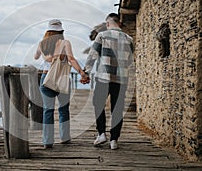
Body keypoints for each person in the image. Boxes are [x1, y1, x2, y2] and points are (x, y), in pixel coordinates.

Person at [81, 13, 133, 150]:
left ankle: (101, 134)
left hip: (104, 78)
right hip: (121, 80)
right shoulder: (129, 39)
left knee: (98, 104)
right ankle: (114, 140)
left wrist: (85, 73)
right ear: (119, 23)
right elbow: (130, 61)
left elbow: (92, 56)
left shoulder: (102, 36)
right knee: (117, 109)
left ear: (108, 23)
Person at [34, 19, 90, 149]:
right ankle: (65, 138)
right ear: (61, 31)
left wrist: (43, 53)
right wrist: (82, 73)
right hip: (62, 79)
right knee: (63, 109)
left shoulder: (42, 43)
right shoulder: (65, 43)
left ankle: (47, 141)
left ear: (48, 31)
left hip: (46, 78)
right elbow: (71, 59)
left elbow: (36, 57)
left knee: (48, 110)